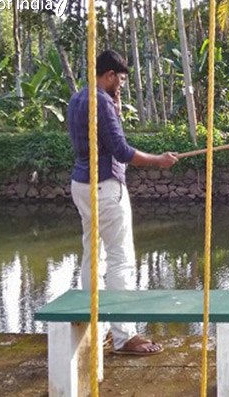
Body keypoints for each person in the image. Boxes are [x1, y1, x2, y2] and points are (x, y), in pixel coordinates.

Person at [67, 49, 179, 355]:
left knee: (93, 256)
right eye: (120, 79)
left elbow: (97, 142)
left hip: (82, 184)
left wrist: (115, 106)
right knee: (121, 260)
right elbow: (120, 150)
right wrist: (159, 160)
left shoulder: (78, 98)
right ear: (110, 75)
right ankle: (124, 336)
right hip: (105, 187)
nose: (122, 85)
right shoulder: (101, 101)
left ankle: (96, 330)